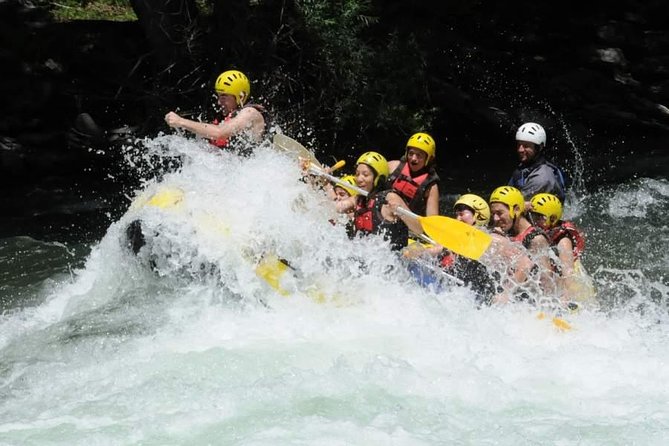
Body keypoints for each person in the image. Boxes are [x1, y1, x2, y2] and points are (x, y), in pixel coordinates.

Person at [404, 194, 497, 305]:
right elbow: (419, 253)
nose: (458, 219)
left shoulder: (491, 243)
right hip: (447, 294)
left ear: (478, 216)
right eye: (457, 214)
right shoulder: (447, 241)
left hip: (470, 298)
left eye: (462, 214)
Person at [334, 151, 420, 251]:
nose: (359, 179)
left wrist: (400, 212)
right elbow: (336, 207)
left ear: (378, 179)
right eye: (357, 174)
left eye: (365, 175)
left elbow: (418, 229)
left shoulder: (390, 198)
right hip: (365, 258)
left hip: (391, 261)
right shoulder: (358, 199)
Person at [164, 70, 267, 151]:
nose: (218, 102)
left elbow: (219, 132)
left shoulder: (250, 113)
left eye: (224, 97)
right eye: (218, 96)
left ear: (240, 96)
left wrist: (181, 121)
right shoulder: (227, 117)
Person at [488, 185, 556, 301]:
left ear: (516, 210)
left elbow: (546, 281)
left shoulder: (536, 239)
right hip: (514, 296)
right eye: (493, 213)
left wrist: (506, 293)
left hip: (530, 301)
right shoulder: (506, 231)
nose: (495, 218)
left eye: (499, 213)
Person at [529, 193, 596, 306]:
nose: (534, 220)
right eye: (532, 216)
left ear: (553, 218)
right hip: (559, 284)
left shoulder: (563, 240)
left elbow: (568, 271)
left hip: (574, 287)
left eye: (539, 217)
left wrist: (567, 296)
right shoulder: (542, 233)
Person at [508, 122, 567, 205]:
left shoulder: (542, 178)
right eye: (519, 145)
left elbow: (514, 206)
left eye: (526, 146)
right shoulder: (528, 164)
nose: (520, 150)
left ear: (539, 147)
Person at [387, 132, 441, 216]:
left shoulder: (431, 187)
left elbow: (432, 219)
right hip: (383, 213)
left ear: (429, 159)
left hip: (406, 224)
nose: (413, 159)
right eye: (411, 153)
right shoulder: (393, 166)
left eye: (419, 155)